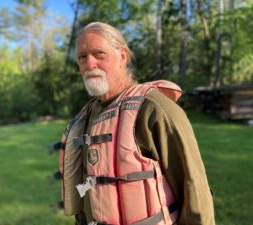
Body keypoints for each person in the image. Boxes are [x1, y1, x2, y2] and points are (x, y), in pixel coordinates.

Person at [56, 22, 215, 225]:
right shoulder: (85, 117)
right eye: (82, 57)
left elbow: (194, 190)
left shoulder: (155, 109)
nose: (90, 64)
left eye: (99, 54)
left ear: (122, 56)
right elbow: (89, 185)